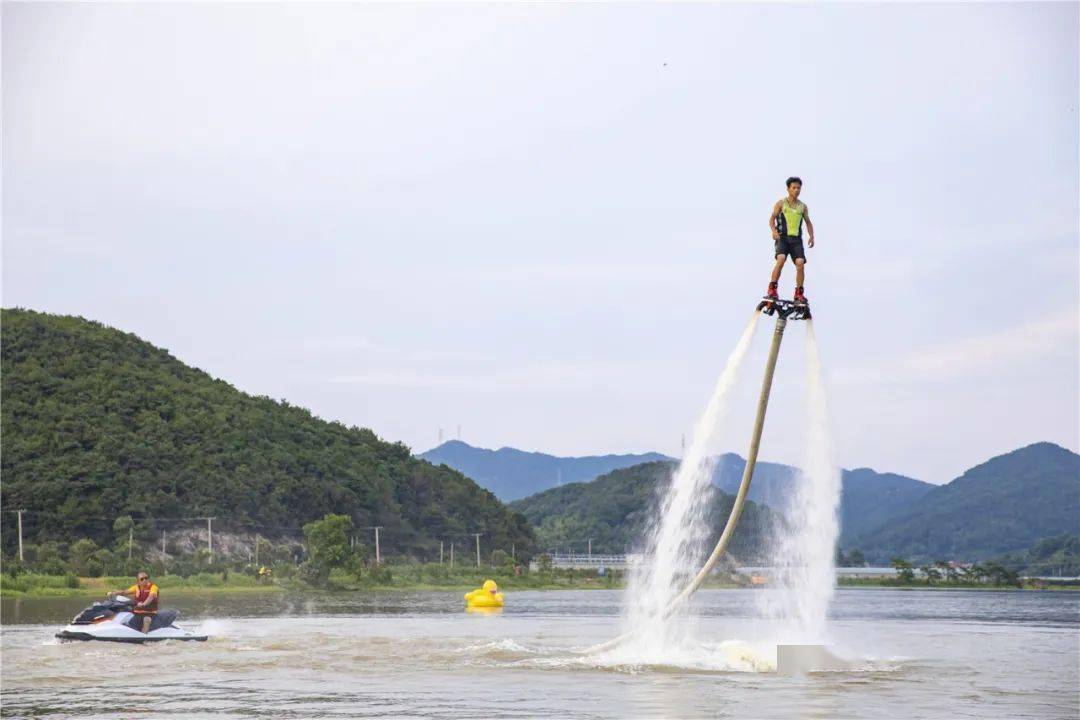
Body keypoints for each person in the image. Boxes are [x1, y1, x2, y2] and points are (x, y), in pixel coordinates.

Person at [765, 176, 815, 304]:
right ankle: (772, 289)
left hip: (796, 240)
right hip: (783, 238)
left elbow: (808, 222)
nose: (797, 190)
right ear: (788, 189)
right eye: (794, 187)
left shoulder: (802, 206)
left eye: (799, 188)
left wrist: (811, 236)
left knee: (800, 263)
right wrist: (774, 231)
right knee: (781, 259)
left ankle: (799, 293)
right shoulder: (781, 203)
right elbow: (771, 219)